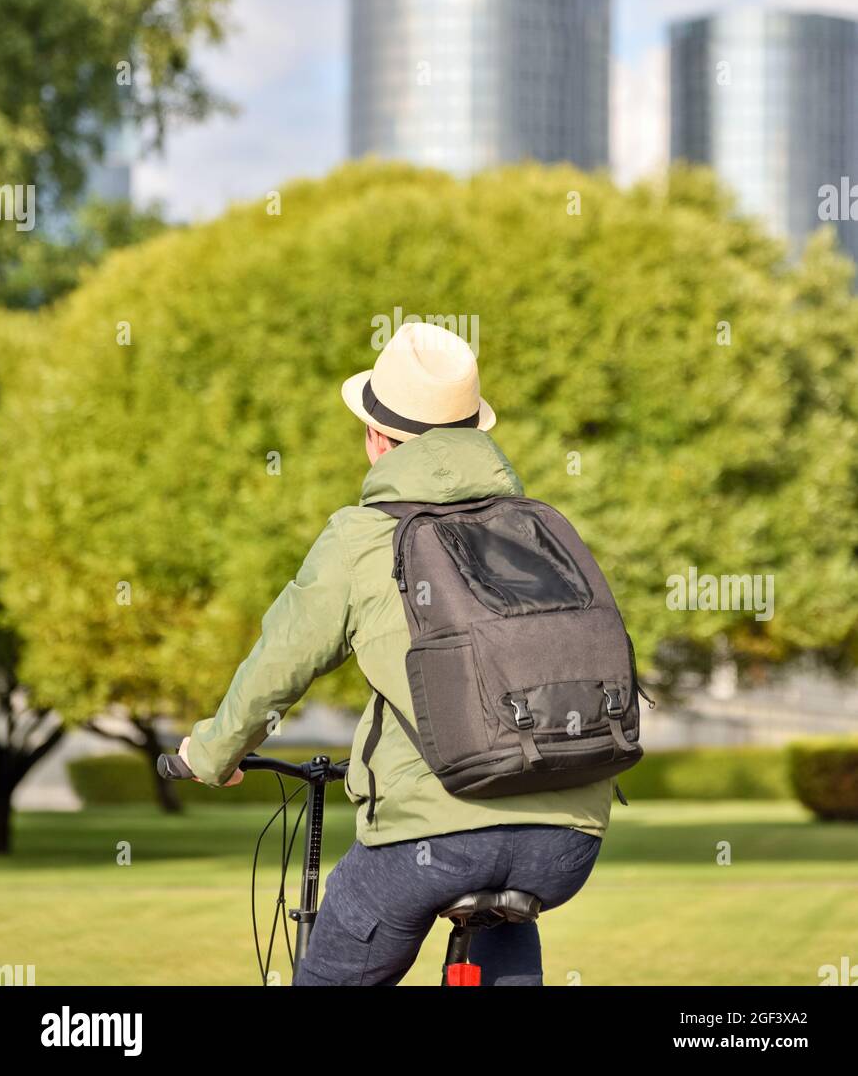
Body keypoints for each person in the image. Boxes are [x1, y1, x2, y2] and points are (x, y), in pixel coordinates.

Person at [180, 321, 612, 985]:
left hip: (428, 838)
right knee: (505, 922)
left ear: (376, 439)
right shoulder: (537, 529)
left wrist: (211, 755)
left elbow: (280, 662)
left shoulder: (360, 536)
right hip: (565, 837)